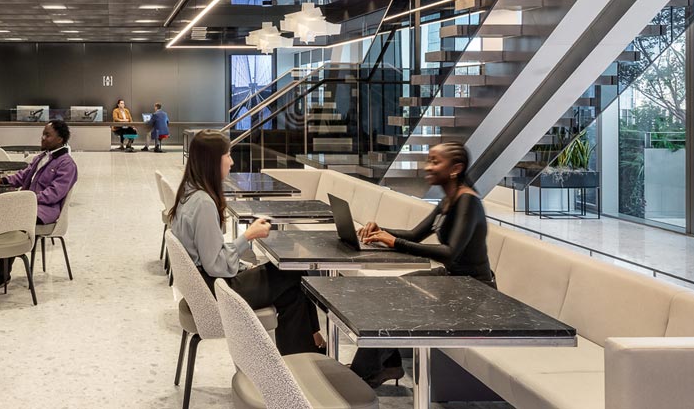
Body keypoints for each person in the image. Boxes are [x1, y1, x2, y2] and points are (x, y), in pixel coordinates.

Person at [348, 141, 492, 386]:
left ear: (456, 168)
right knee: (388, 292)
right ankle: (384, 366)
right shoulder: (448, 200)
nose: (428, 167)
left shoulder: (468, 201)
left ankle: (362, 374)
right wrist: (381, 231)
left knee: (397, 299)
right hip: (453, 281)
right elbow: (415, 234)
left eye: (435, 162)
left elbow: (449, 253)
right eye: (429, 160)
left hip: (474, 291)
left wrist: (393, 242)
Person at [170, 130, 317, 355]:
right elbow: (216, 265)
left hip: (206, 287)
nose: (232, 161)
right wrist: (247, 236)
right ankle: (310, 354)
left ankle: (304, 358)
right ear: (212, 160)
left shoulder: (189, 193)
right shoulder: (203, 203)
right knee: (294, 273)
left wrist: (242, 264)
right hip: (217, 290)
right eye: (227, 155)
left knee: (294, 295)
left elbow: (211, 255)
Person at [0, 119, 79, 286]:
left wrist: (27, 200)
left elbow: (54, 194)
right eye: (42, 134)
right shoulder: (41, 157)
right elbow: (22, 176)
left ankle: (2, 274)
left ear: (60, 139)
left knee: (12, 219)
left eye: (47, 135)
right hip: (27, 206)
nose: (42, 138)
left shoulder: (67, 164)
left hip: (45, 212)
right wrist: (1, 180)